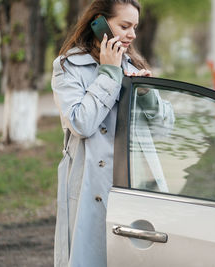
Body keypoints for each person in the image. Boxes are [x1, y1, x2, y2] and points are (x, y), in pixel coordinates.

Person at [51, 0, 173, 266]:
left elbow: (164, 130)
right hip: (91, 189)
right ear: (100, 23)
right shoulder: (68, 66)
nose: (132, 35)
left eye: (135, 27)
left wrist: (147, 96)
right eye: (125, 26)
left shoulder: (133, 65)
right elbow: (80, 123)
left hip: (136, 184)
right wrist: (108, 73)